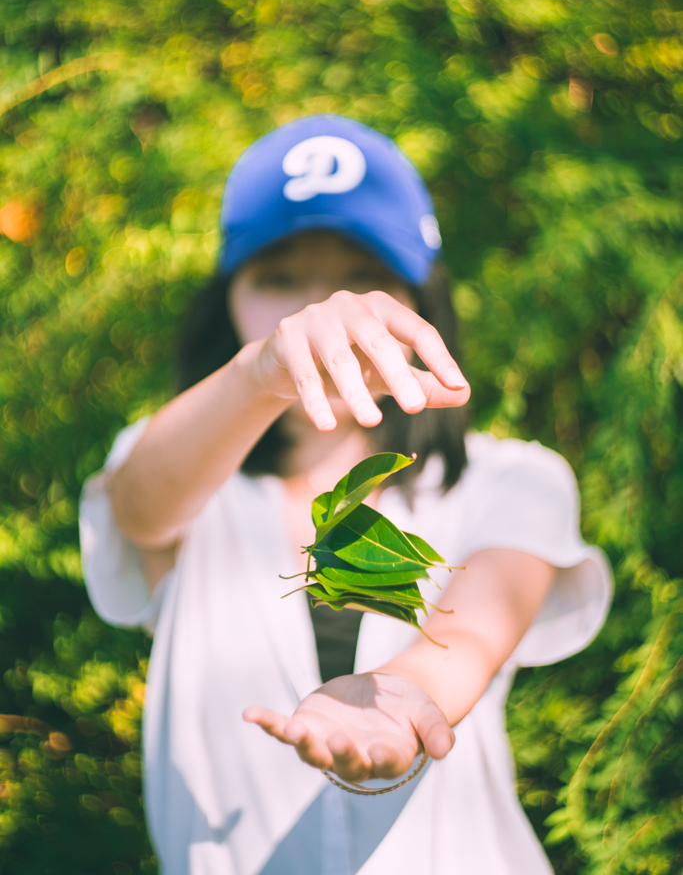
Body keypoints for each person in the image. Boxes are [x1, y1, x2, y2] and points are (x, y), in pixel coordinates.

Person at [79, 114, 612, 875]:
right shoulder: (186, 473)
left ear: (416, 298)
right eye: (279, 279)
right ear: (228, 298)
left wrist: (401, 696)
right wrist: (262, 371)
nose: (317, 312)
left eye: (357, 277)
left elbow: (469, 636)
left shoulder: (509, 480)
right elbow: (140, 508)